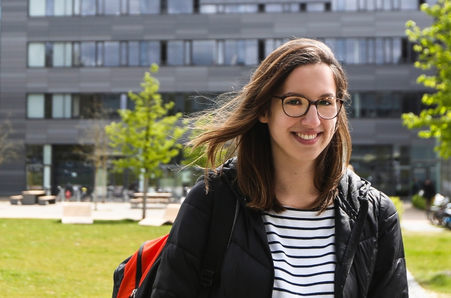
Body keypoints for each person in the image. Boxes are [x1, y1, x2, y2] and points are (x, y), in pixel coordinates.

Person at [151, 39, 407, 297]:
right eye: (295, 101)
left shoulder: (375, 214)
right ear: (264, 110)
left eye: (325, 102)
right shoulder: (211, 203)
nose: (312, 120)